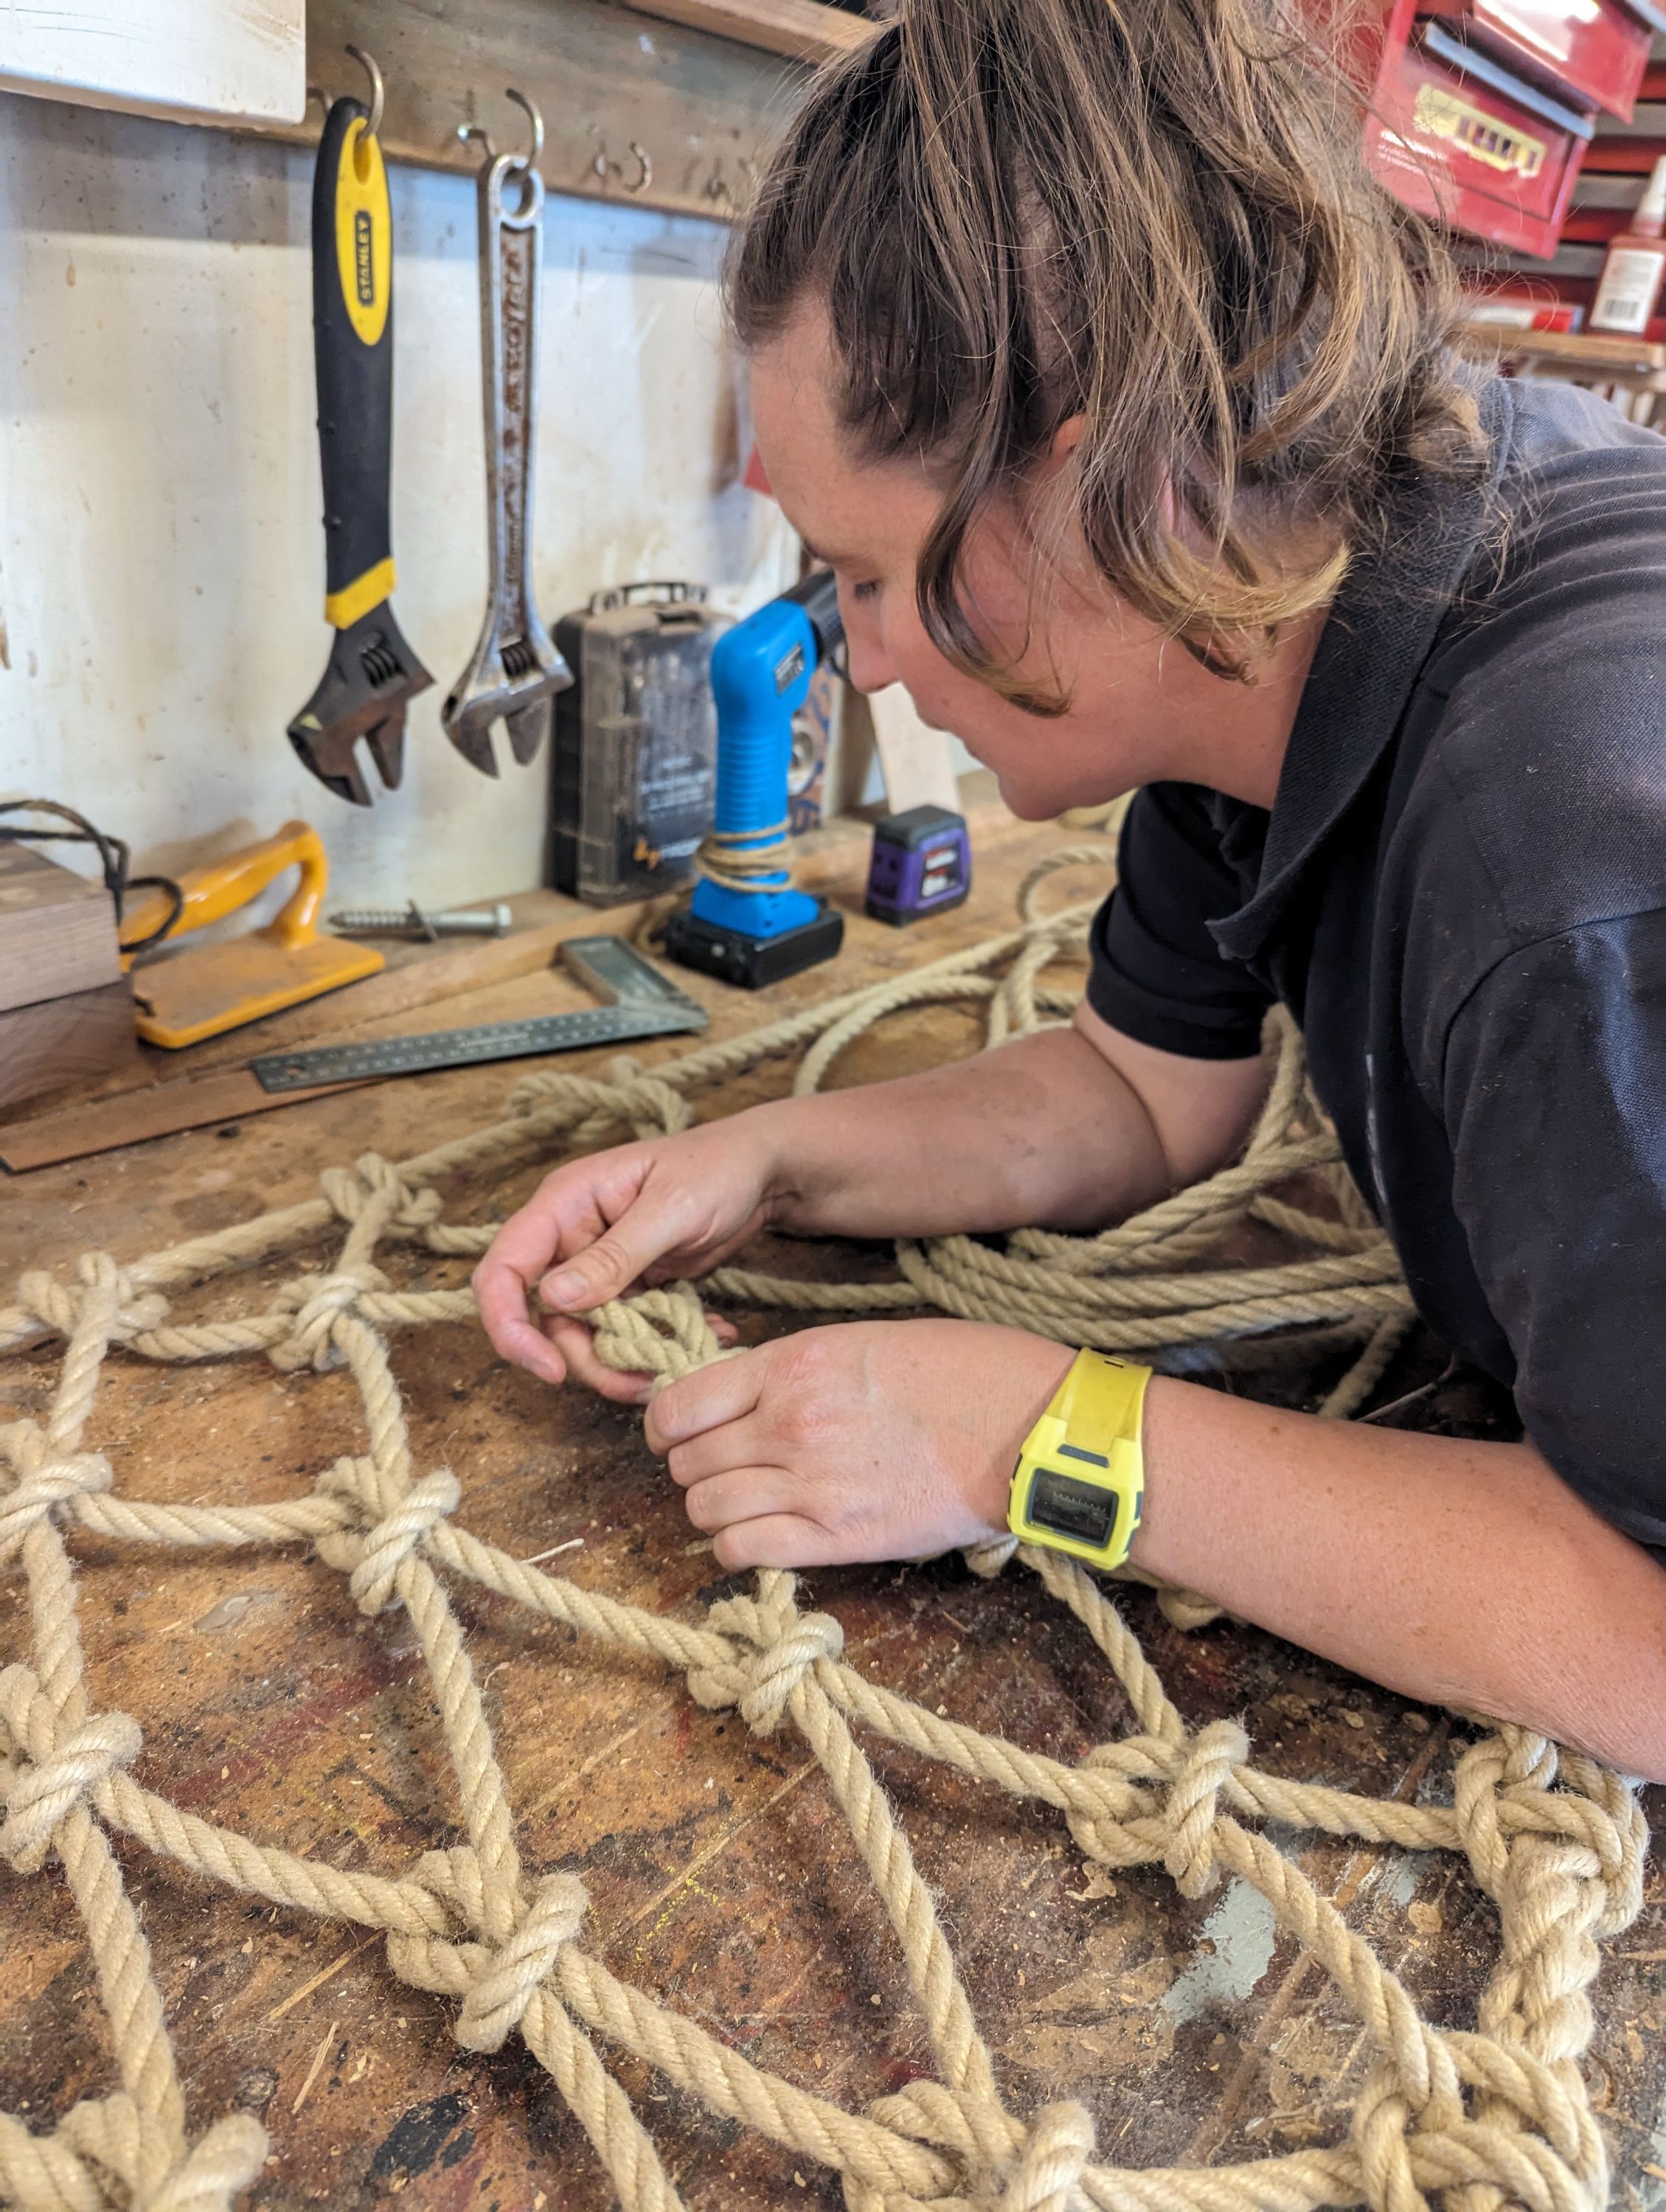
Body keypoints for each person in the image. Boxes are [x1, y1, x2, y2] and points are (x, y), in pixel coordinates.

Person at [478, 0, 1666, 1778]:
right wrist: (767, 1162)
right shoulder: (1273, 629)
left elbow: (1645, 1641)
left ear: (1117, 484)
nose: (860, 664)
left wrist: (1022, 1430)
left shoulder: (1562, 864)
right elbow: (1138, 1090)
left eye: (861, 577)